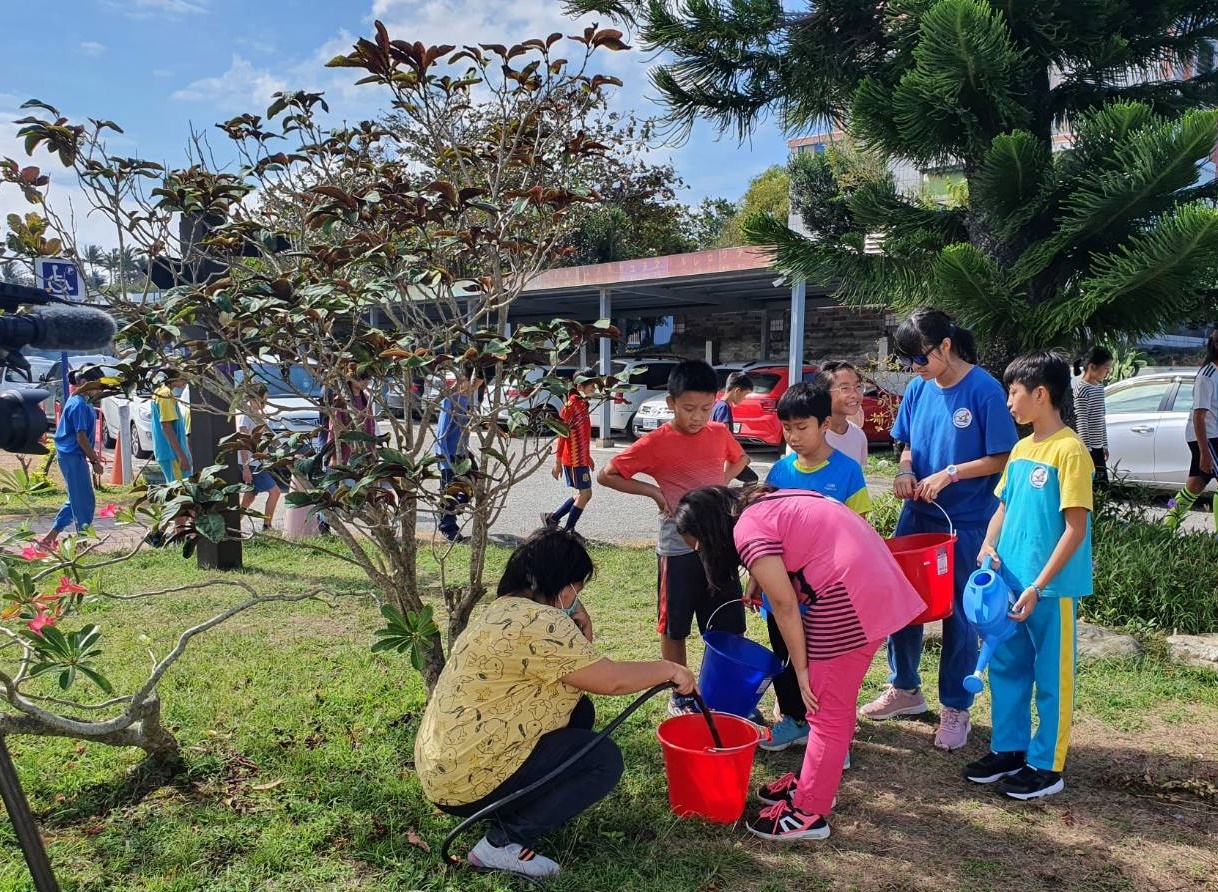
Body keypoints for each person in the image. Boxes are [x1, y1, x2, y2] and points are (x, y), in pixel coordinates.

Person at [414, 529, 697, 879]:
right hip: (469, 782)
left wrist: (584, 627)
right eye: (576, 591)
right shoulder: (541, 621)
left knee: (581, 711)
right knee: (601, 759)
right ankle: (502, 842)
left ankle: (516, 807)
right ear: (563, 587)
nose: (576, 600)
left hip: (446, 774)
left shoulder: (500, 611)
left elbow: (581, 668)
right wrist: (670, 669)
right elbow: (611, 680)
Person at [674, 485, 925, 841]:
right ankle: (816, 779)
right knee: (830, 703)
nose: (700, 553)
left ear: (711, 531)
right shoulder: (758, 504)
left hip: (851, 598)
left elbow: (786, 606)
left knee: (824, 706)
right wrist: (758, 578)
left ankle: (810, 811)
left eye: (698, 545)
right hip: (869, 583)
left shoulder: (747, 530)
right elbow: (795, 547)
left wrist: (803, 670)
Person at [859, 309, 1018, 751]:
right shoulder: (918, 388)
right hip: (918, 517)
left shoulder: (984, 389)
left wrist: (950, 473)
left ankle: (955, 707)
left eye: (920, 358)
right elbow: (907, 445)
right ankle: (905, 688)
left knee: (961, 616)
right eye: (908, 360)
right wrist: (905, 472)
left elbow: (1002, 457)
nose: (915, 368)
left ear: (945, 346)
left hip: (966, 523)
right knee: (902, 603)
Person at [966, 351, 1093, 800]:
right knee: (1006, 665)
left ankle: (1046, 765)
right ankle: (1009, 749)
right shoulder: (1021, 449)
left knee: (1051, 675)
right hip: (1010, 583)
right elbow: (1002, 507)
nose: (1008, 403)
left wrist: (1039, 586)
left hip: (1049, 589)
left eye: (1013, 393)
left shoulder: (1070, 451)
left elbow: (1075, 527)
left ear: (1040, 394)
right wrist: (987, 545)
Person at [597, 359, 751, 716]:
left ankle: (720, 690)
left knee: (726, 620)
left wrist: (720, 486)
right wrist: (654, 493)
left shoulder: (718, 433)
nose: (698, 417)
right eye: (688, 409)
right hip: (677, 543)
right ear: (670, 403)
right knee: (675, 623)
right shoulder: (656, 441)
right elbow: (608, 474)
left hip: (719, 542)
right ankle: (680, 693)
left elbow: (740, 458)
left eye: (705, 408)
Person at [758, 377, 871, 752]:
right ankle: (793, 718)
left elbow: (860, 533)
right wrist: (757, 580)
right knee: (784, 655)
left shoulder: (847, 472)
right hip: (781, 587)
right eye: (786, 427)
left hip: (827, 594)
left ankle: (830, 730)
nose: (792, 435)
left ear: (825, 424)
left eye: (801, 427)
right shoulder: (779, 473)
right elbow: (765, 531)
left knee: (825, 662)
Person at [38, 367, 107, 551]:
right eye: (98, 385)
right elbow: (81, 437)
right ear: (85, 383)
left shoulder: (84, 402)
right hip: (72, 456)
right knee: (84, 501)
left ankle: (49, 539)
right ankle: (81, 543)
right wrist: (95, 461)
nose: (100, 390)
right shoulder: (78, 404)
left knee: (76, 499)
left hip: (74, 456)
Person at [1164, 329, 1218, 532]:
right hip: (1207, 436)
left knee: (1195, 485)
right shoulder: (1207, 376)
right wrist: (1204, 452)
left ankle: (1166, 524)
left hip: (1214, 435)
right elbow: (1199, 416)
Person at [542, 368, 597, 533]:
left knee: (584, 494)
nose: (594, 388)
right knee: (585, 494)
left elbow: (583, 434)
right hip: (573, 459)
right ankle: (568, 530)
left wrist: (588, 456)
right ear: (580, 386)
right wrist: (557, 463)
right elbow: (562, 436)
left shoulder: (582, 404)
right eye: (591, 385)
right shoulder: (570, 406)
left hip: (581, 458)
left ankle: (553, 518)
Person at [435, 369, 479, 543]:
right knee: (449, 492)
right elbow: (441, 433)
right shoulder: (450, 401)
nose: (476, 385)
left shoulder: (468, 400)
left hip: (462, 453)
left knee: (474, 480)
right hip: (448, 455)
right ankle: (448, 528)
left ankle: (459, 505)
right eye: (474, 381)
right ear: (463, 381)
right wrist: (444, 460)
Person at [235, 383, 284, 532]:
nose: (265, 403)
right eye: (263, 400)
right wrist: (245, 467)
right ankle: (267, 526)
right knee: (275, 492)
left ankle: (233, 525)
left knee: (249, 498)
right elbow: (243, 442)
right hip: (251, 463)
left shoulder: (258, 415)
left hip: (258, 462)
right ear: (254, 398)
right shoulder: (245, 416)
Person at [1071, 346, 1113, 487]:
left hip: (1098, 447)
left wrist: (1104, 444)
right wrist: (1086, 448)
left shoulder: (1099, 387)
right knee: (1090, 487)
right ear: (1093, 367)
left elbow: (1101, 418)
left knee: (1102, 488)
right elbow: (1082, 420)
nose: (1108, 372)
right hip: (1088, 449)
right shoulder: (1082, 388)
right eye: (1106, 368)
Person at [820, 360, 870, 468]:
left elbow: (857, 481)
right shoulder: (809, 435)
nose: (854, 394)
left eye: (858, 386)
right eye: (845, 388)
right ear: (825, 393)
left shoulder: (858, 435)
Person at [712, 371, 758, 483]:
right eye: (745, 394)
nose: (744, 398)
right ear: (737, 391)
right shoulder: (724, 407)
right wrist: (742, 454)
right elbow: (725, 436)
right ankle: (739, 500)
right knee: (752, 480)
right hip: (725, 456)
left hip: (718, 456)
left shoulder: (717, 405)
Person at [150, 368, 192, 484]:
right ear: (172, 379)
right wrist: (181, 456)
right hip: (172, 454)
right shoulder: (165, 395)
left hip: (171, 453)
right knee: (180, 492)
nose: (185, 380)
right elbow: (167, 427)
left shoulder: (161, 392)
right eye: (182, 377)